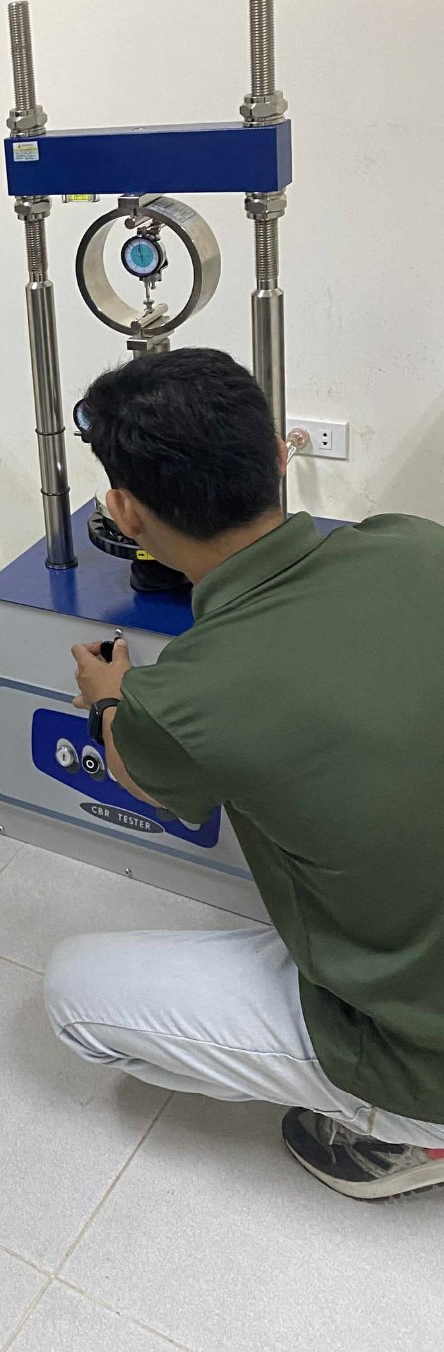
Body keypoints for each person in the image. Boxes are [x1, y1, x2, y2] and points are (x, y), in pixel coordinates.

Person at [45, 348, 444, 1200]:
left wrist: (111, 701)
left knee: (73, 993)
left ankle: (409, 1134)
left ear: (124, 510)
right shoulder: (415, 540)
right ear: (277, 455)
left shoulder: (187, 695)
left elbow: (137, 769)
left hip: (424, 1056)